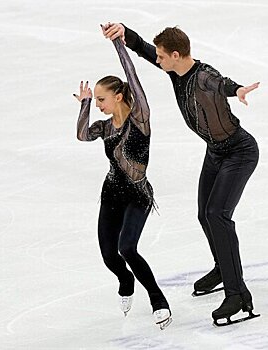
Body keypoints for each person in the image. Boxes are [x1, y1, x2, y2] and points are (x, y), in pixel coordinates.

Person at [102, 23, 260, 326]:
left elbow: (221, 83)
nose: (158, 61)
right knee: (204, 214)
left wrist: (237, 89)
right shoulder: (176, 70)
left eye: (162, 57)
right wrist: (126, 34)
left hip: (239, 152)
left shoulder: (203, 75)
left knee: (218, 214)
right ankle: (222, 268)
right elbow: (147, 51)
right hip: (215, 152)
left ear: (176, 55)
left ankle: (238, 294)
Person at [73, 34, 171, 330]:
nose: (99, 104)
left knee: (128, 248)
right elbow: (81, 135)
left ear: (118, 96)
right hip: (112, 193)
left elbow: (132, 74)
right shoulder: (104, 127)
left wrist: (119, 43)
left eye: (101, 99)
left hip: (138, 195)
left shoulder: (140, 117)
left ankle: (158, 299)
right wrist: (86, 104)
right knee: (108, 255)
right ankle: (125, 279)